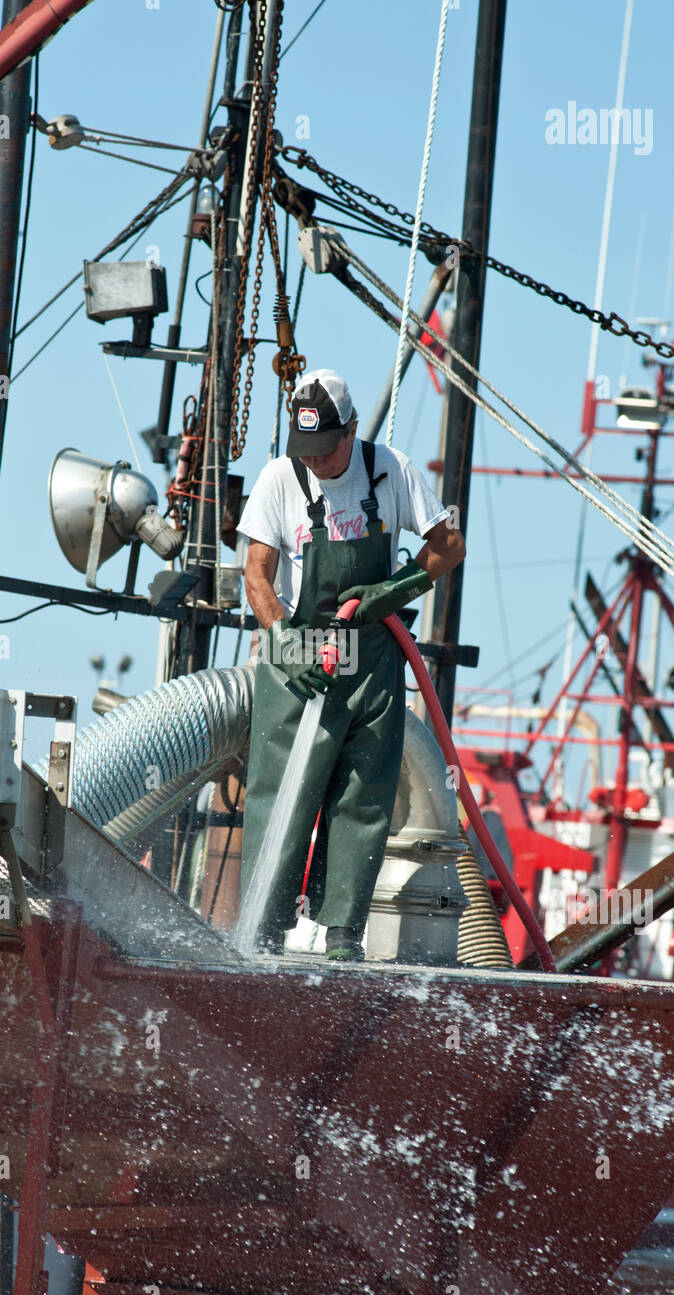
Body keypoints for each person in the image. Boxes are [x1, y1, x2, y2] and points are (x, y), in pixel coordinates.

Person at [237, 368, 465, 961]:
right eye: (306, 451)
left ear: (354, 431)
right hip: (301, 656)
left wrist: (395, 591)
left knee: (362, 797)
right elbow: (256, 572)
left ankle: (342, 938)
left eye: (327, 449)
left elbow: (449, 546)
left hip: (372, 658)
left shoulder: (390, 468)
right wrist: (281, 638)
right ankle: (261, 936)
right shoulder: (279, 479)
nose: (316, 462)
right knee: (283, 795)